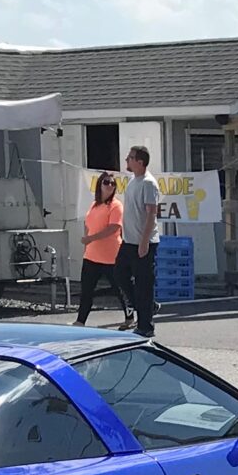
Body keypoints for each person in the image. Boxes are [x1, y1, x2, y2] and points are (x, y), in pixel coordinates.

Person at [74, 171, 134, 328]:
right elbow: (89, 226)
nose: (109, 186)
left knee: (120, 289)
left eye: (113, 184)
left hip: (111, 256)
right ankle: (80, 321)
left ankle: (130, 317)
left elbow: (113, 228)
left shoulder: (116, 205)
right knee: (86, 290)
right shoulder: (94, 205)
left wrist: (91, 238)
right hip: (92, 256)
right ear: (99, 184)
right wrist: (88, 242)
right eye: (106, 182)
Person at [119, 144, 162, 338]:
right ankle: (147, 306)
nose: (127, 160)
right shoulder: (132, 181)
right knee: (119, 274)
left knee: (143, 284)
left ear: (140, 162)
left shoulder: (148, 183)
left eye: (130, 157)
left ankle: (145, 326)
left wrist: (144, 242)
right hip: (128, 240)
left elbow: (151, 213)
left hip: (143, 242)